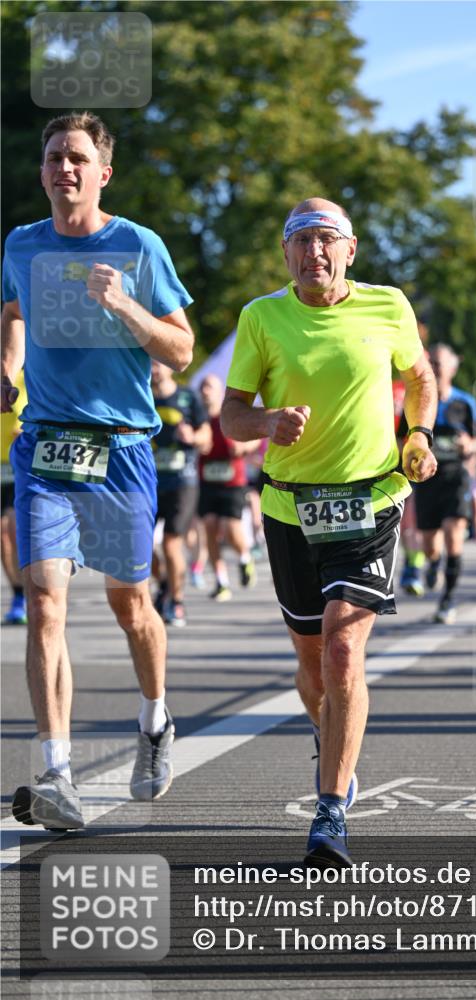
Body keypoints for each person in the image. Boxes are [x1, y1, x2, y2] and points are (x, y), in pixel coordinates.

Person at [220, 197, 437, 867]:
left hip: (371, 501)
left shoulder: (387, 306)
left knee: (343, 651)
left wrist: (419, 435)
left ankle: (330, 809)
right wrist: (267, 423)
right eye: (301, 241)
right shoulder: (261, 317)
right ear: (285, 254)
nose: (314, 252)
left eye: (325, 239)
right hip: (290, 509)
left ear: (349, 249)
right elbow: (231, 415)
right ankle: (330, 736)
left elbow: (420, 377)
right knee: (312, 661)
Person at [1, 112, 194, 830]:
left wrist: (123, 305)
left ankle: (154, 719)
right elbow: (13, 308)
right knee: (44, 600)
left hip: (121, 448)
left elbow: (180, 350)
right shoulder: (22, 243)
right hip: (45, 446)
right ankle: (57, 774)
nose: (65, 168)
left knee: (130, 606)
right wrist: (8, 366)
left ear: (102, 173)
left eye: (78, 158)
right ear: (43, 171)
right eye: (55, 156)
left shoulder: (138, 245)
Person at [402, 344, 476, 624]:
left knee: (453, 533)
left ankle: (448, 599)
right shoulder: (417, 401)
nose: (436, 369)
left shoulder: (465, 403)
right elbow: (401, 439)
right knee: (430, 545)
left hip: (456, 477)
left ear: (453, 367)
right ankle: (434, 562)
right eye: (432, 363)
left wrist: (470, 445)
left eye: (440, 363)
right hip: (427, 480)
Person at [150, 360, 211, 626]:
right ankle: (165, 582)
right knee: (141, 546)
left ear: (170, 366)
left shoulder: (188, 397)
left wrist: (193, 437)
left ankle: (176, 601)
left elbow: (207, 438)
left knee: (171, 542)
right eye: (150, 363)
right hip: (148, 482)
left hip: (182, 482)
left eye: (158, 363)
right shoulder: (140, 395)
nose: (154, 369)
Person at [197, 373, 259, 601]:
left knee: (230, 528)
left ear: (220, 392)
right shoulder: (198, 417)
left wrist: (244, 448)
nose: (205, 391)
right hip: (207, 482)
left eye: (210, 387)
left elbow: (257, 435)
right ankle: (221, 582)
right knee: (210, 527)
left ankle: (244, 557)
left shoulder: (229, 415)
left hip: (233, 482)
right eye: (202, 386)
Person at [1, 369, 28, 623]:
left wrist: (28, 431)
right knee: (3, 537)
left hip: (17, 464)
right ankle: (18, 594)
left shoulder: (24, 374)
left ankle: (29, 592)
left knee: (11, 527)